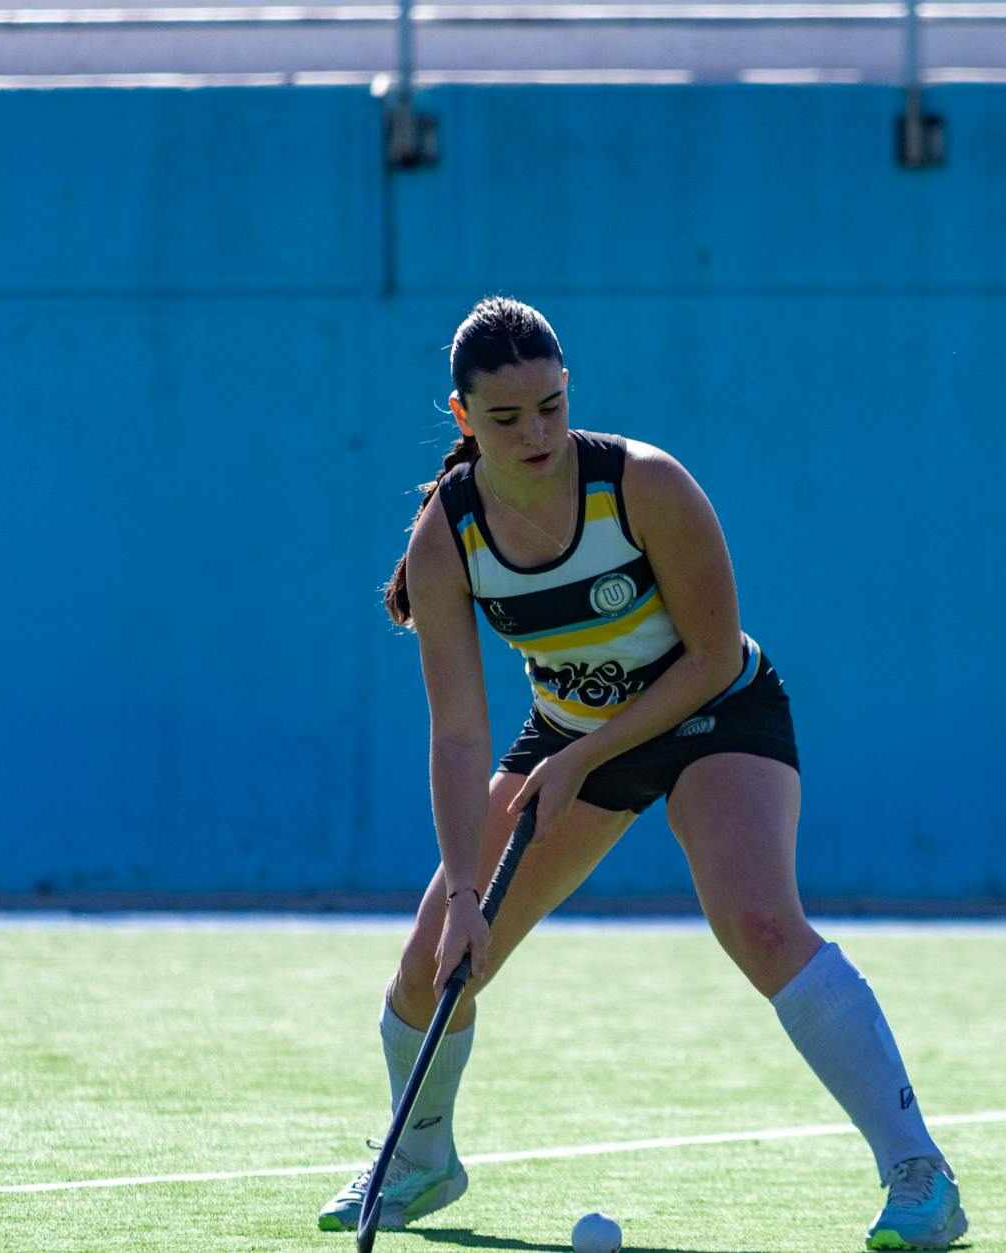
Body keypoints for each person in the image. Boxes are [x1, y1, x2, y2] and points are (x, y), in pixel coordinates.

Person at [318, 297, 968, 1250]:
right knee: (432, 965)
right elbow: (457, 733)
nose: (537, 434)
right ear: (462, 416)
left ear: (568, 388)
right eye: (506, 417)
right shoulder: (447, 537)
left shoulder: (643, 486)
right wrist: (462, 892)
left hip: (714, 712)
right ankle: (420, 1161)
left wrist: (584, 755)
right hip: (570, 733)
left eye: (551, 405)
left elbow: (711, 655)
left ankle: (920, 1171)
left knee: (758, 920)